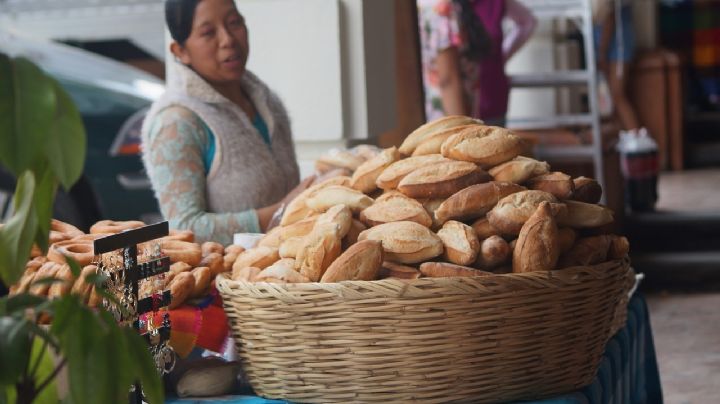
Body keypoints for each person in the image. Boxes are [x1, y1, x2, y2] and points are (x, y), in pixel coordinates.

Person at [141, 0, 311, 245]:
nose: (228, 39)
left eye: (234, 23)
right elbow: (183, 228)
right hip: (222, 279)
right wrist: (283, 211)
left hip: (283, 273)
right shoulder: (176, 123)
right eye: (208, 33)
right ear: (181, 51)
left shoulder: (268, 103)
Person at [417, 0, 537, 125]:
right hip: (452, 117)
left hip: (485, 99)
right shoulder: (442, 10)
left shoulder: (458, 8)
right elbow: (448, 80)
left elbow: (528, 22)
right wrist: (463, 130)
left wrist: (502, 56)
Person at [593, 0, 640, 131]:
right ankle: (625, 135)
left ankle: (635, 137)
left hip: (616, 45)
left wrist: (601, 53)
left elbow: (609, 17)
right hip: (613, 44)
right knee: (612, 98)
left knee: (616, 94)